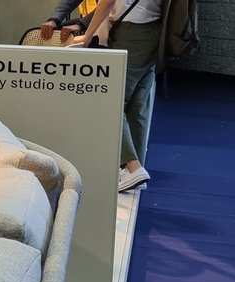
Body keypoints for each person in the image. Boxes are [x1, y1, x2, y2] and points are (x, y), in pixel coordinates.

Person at [41, 0, 164, 192]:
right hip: (153, 30)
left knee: (112, 101)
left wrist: (88, 35)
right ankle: (135, 168)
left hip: (130, 33)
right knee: (137, 103)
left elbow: (108, 2)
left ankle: (132, 168)